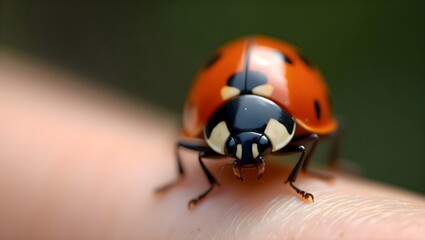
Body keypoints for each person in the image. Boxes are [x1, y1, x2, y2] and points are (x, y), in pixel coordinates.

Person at [0, 56, 424, 239]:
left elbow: (312, 135)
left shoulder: (295, 129)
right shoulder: (209, 140)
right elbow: (192, 145)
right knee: (187, 146)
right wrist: (197, 182)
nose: (247, 158)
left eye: (255, 150)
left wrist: (298, 176)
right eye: (241, 150)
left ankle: (306, 173)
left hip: (264, 101)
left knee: (321, 134)